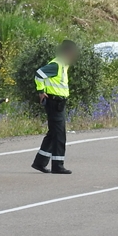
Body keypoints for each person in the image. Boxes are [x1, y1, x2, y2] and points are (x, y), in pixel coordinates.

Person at [32, 40, 78, 175]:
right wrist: (41, 91)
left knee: (53, 134)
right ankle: (58, 165)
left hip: (58, 102)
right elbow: (39, 74)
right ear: (68, 52)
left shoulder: (63, 64)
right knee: (59, 135)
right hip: (54, 102)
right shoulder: (57, 64)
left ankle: (40, 162)